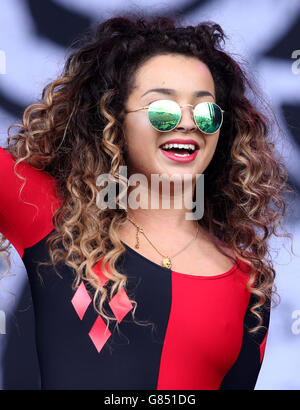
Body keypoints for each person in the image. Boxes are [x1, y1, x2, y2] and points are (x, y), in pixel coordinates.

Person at [0, 15, 294, 390]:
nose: (187, 123)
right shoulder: (52, 216)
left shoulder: (248, 284)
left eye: (205, 112)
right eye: (163, 109)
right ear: (112, 118)